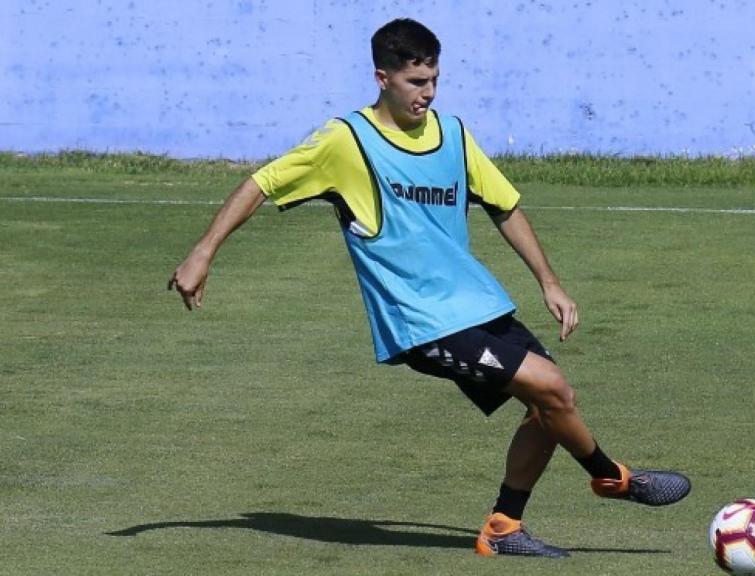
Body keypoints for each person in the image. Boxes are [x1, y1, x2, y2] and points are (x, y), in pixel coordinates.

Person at [168, 18, 690, 558]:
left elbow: (504, 206)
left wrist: (549, 283)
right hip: (419, 321)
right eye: (416, 82)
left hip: (477, 303)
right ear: (382, 77)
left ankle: (504, 528)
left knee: (549, 408)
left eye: (435, 79)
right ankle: (612, 478)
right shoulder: (345, 141)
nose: (429, 93)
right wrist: (203, 252)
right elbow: (262, 183)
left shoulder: (452, 133)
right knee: (553, 388)